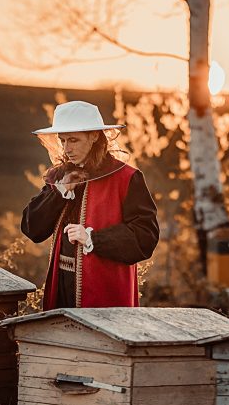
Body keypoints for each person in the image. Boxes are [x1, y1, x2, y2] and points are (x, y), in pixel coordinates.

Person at [21, 101, 159, 309]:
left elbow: (145, 237)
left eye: (74, 140)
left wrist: (92, 238)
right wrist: (59, 193)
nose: (67, 149)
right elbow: (32, 228)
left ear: (95, 136)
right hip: (62, 287)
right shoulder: (59, 176)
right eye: (63, 140)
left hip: (106, 292)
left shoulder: (127, 178)